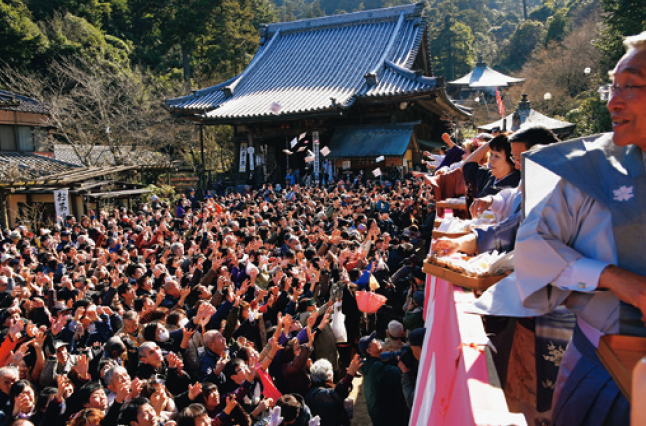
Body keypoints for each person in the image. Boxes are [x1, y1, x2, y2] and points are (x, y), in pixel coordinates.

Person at [511, 31, 646, 425]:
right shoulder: (591, 168)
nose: (612, 100)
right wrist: (614, 278)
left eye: (631, 86)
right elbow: (535, 243)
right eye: (613, 86)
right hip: (599, 361)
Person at [358, 332, 409, 426]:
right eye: (374, 341)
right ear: (369, 351)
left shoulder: (369, 364)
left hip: (379, 413)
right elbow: (398, 374)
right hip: (386, 416)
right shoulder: (376, 368)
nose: (378, 341)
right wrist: (402, 363)